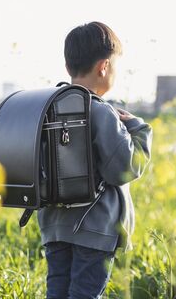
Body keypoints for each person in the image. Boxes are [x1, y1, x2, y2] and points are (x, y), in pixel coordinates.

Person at [37, 21, 153, 298]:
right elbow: (125, 169)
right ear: (104, 67)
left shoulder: (44, 108)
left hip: (54, 227)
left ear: (68, 68)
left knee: (57, 292)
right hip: (95, 229)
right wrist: (139, 128)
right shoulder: (101, 112)